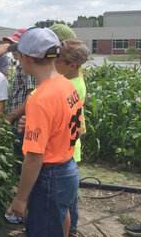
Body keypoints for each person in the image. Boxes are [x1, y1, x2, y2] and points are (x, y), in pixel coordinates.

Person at [6, 27, 83, 237]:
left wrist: (21, 198)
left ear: (27, 59)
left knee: (43, 228)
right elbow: (69, 126)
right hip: (68, 168)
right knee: (60, 216)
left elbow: (34, 158)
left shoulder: (39, 98)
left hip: (50, 175)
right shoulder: (66, 85)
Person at [54, 39, 89, 237]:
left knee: (67, 199)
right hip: (70, 147)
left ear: (72, 65)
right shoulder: (74, 79)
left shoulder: (71, 86)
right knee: (68, 196)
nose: (54, 63)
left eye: (57, 60)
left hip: (67, 148)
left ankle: (71, 228)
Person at [6, 30, 36, 160]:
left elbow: (31, 97)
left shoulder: (27, 69)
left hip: (21, 123)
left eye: (16, 46)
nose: (14, 50)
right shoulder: (20, 66)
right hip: (18, 122)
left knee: (20, 159)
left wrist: (11, 116)